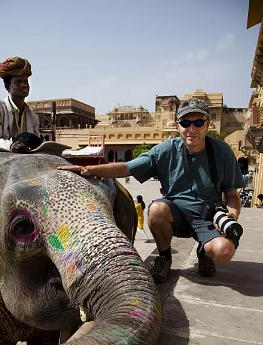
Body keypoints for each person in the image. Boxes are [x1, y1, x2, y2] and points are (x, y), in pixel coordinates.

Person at [58, 98, 245, 283]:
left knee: (224, 252)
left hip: (207, 217)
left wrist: (230, 217)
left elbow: (232, 196)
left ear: (208, 124)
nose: (192, 129)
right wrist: (89, 170)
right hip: (176, 214)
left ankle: (204, 252)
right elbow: (126, 168)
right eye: (186, 123)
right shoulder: (166, 150)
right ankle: (164, 257)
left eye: (198, 123)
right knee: (156, 209)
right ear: (178, 125)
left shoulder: (222, 152)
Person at [0, 56, 40, 153]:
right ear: (7, 85)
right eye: (18, 82)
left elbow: (35, 140)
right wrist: (11, 145)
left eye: (25, 81)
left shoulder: (32, 114)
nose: (24, 85)